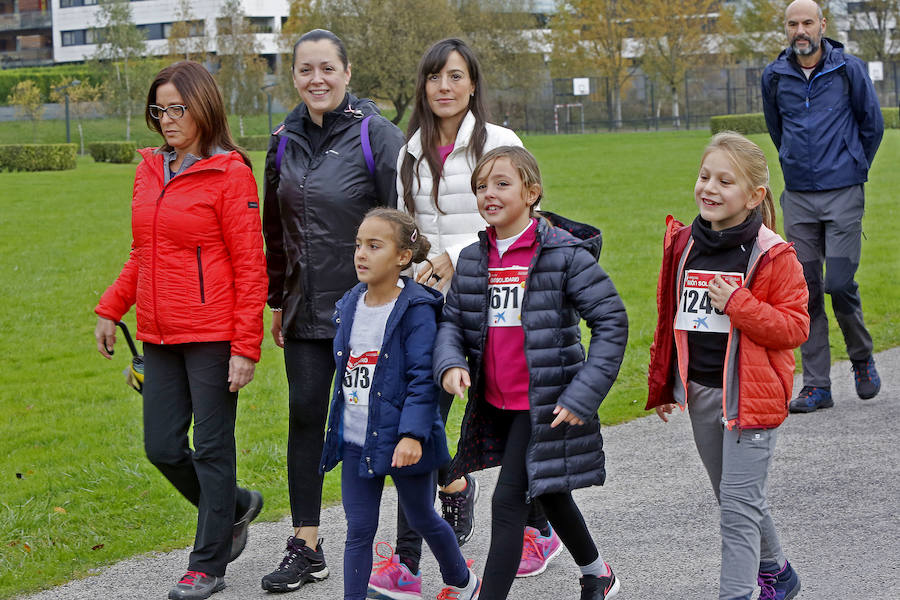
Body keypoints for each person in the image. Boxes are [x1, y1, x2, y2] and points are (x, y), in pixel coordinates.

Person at [369, 39, 554, 599]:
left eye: (455, 76)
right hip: (431, 307)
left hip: (494, 303)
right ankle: (406, 560)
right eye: (433, 77)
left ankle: (539, 528)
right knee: (418, 417)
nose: (443, 87)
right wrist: (420, 269)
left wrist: (459, 255)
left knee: (514, 418)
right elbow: (410, 229)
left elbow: (524, 222)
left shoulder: (499, 142)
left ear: (473, 83)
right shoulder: (409, 152)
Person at [93, 61, 267, 600]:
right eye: (159, 109)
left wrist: (245, 347)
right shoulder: (150, 169)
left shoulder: (230, 172)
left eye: (177, 108)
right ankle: (235, 506)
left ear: (204, 107)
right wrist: (110, 307)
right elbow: (143, 252)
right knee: (162, 447)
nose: (167, 120)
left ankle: (207, 565)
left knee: (213, 449)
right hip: (160, 335)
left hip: (214, 335)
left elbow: (250, 265)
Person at [434, 146, 628, 600]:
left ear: (532, 192)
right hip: (495, 402)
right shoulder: (472, 259)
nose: (489, 193)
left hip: (545, 404)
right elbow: (452, 324)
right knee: (550, 490)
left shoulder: (563, 254)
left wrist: (583, 394)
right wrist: (451, 363)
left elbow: (612, 321)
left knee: (508, 504)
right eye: (481, 186)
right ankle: (598, 573)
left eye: (502, 183)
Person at [260, 29, 405, 593]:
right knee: (304, 418)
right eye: (304, 70)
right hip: (303, 310)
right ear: (293, 77)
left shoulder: (377, 136)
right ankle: (307, 543)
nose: (315, 80)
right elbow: (273, 228)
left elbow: (405, 222)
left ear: (347, 74)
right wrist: (278, 296)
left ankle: (422, 523)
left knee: (380, 422)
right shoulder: (283, 139)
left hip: (369, 310)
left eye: (326, 69)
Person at [647, 132, 810, 600]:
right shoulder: (683, 243)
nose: (709, 188)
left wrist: (739, 303)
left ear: (755, 196)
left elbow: (795, 328)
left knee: (738, 509)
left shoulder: (773, 254)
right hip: (701, 392)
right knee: (736, 498)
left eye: (725, 181)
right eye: (704, 177)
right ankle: (778, 573)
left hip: (751, 397)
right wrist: (665, 384)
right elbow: (670, 320)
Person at [320, 207, 481, 600]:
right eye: (358, 245)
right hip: (358, 442)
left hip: (404, 443)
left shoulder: (417, 310)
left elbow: (422, 381)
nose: (361, 254)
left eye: (374, 246)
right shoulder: (349, 304)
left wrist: (412, 435)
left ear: (402, 257)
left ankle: (463, 581)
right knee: (358, 530)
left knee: (424, 517)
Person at [761, 0, 883, 413]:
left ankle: (862, 356)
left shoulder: (848, 69)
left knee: (839, 284)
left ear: (821, 25)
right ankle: (817, 386)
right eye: (793, 23)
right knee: (806, 291)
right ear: (787, 29)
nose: (800, 30)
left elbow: (872, 124)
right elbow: (777, 130)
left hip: (844, 192)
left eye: (807, 22)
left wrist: (851, 165)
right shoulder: (774, 76)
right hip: (798, 197)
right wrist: (797, 166)